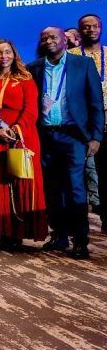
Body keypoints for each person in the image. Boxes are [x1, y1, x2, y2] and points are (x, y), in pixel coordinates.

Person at [29, 27, 104, 259]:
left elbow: (96, 104)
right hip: (45, 136)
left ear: (65, 40)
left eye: (53, 37)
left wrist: (96, 137)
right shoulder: (34, 68)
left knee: (75, 188)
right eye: (44, 38)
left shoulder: (83, 64)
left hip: (73, 136)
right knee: (51, 189)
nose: (49, 41)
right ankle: (59, 234)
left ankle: (80, 240)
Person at [0, 39, 47, 248]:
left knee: (21, 181)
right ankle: (4, 232)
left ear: (14, 54)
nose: (3, 56)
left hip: (22, 138)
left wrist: (15, 130)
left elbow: (31, 110)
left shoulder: (25, 78)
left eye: (7, 52)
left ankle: (20, 232)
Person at [70, 14, 105, 219]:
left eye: (95, 26)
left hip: (105, 122)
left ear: (101, 28)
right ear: (80, 30)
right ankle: (77, 222)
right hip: (81, 124)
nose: (91, 30)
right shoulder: (71, 56)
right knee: (78, 174)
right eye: (86, 27)